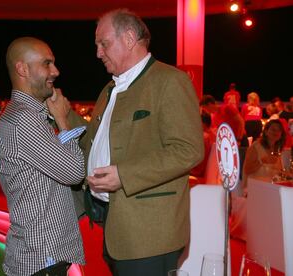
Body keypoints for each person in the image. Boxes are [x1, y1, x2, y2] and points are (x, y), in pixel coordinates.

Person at [56, 9, 203, 275]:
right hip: (116, 225)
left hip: (150, 233)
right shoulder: (110, 89)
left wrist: (124, 175)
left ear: (129, 38)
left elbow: (188, 150)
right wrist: (65, 114)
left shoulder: (170, 81)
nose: (98, 53)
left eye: (104, 43)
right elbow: (93, 141)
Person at [0, 37, 85, 275]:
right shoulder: (25, 119)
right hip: (41, 256)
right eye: (47, 64)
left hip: (38, 252)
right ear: (22, 69)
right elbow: (74, 172)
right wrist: (63, 121)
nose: (55, 71)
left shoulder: (27, 114)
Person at [242, 119, 286, 191]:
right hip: (255, 188)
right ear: (266, 132)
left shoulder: (277, 149)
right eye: (273, 129)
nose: (276, 132)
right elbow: (247, 170)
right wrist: (262, 161)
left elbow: (279, 173)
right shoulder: (255, 147)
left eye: (279, 130)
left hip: (271, 188)